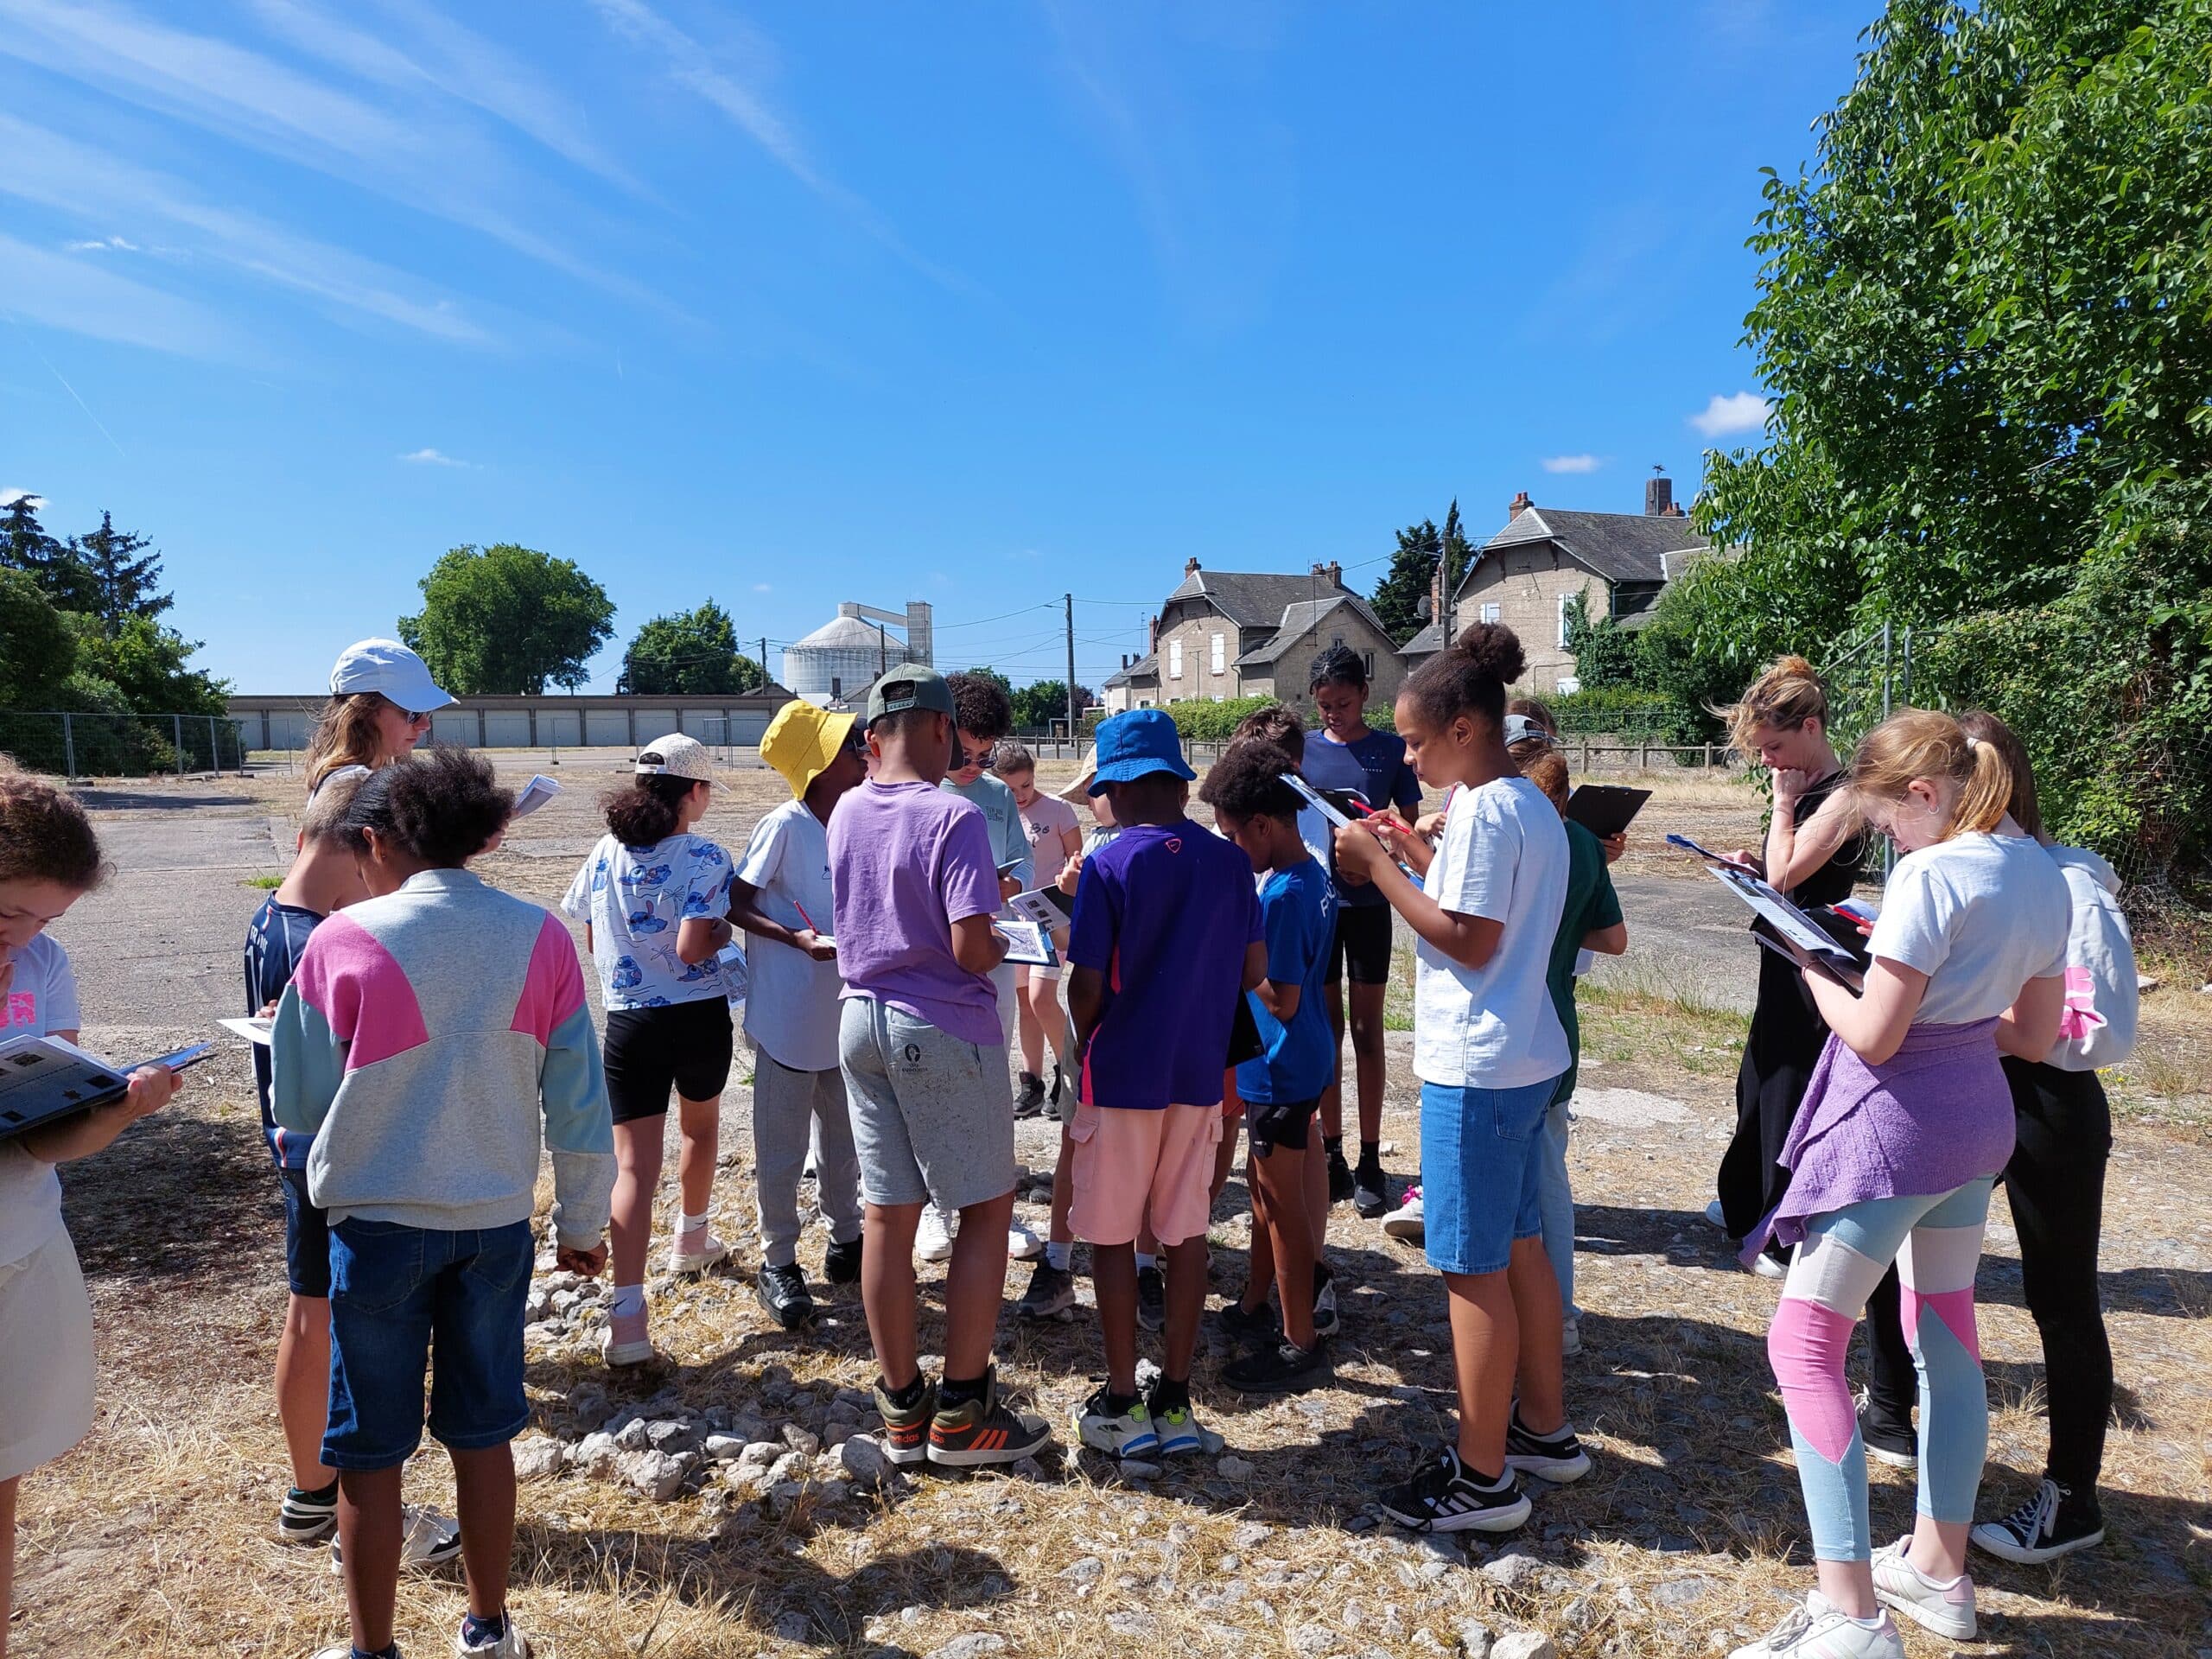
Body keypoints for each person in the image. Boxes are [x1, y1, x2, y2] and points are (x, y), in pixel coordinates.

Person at [1729, 710, 2069, 1659]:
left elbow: (1873, 1037)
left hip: (1895, 1132)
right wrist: (1949, 1001)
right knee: (1944, 1335)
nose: (1890, 843)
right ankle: (1937, 1569)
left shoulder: (1933, 873)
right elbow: (2033, 1035)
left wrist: (1808, 961)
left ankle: (1850, 1614)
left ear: (1923, 793)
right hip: (1976, 1123)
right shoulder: (2043, 872)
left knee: (1803, 1344)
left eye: (1886, 824)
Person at [273, 748, 614, 1659]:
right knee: (483, 1434)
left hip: (376, 1229)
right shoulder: (540, 938)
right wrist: (583, 1223)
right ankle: (488, 1627)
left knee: (368, 1452)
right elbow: (580, 1102)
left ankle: (371, 1649)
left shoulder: (338, 941)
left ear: (377, 842)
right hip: (494, 1226)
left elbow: (298, 1106)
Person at [1853, 712, 2134, 1567]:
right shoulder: (1957, 871)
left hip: (2043, 1100)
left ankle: (2071, 1496)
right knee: (1901, 1260)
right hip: (1962, 1083)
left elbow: (2095, 1027)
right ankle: (1891, 1410)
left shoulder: (2063, 883)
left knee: (2060, 1295)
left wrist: (1979, 1006)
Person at [1333, 623, 1592, 1533]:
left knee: (1470, 1268)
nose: (1405, 757)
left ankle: (1483, 1479)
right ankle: (1543, 1429)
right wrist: (1412, 853)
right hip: (1523, 1056)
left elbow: (1468, 939)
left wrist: (1375, 866)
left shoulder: (1482, 809)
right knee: (1519, 1248)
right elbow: (1480, 904)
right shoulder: (1528, 804)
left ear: (1462, 730)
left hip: (1476, 1066)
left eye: (1413, 742)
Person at [830, 666, 1052, 1469]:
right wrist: (1006, 933)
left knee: (887, 1216)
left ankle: (901, 1409)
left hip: (860, 1018)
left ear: (872, 735)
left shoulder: (846, 808)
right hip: (940, 1025)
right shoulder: (952, 814)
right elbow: (968, 948)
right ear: (938, 728)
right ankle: (963, 1411)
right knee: (986, 1209)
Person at [246, 772, 465, 1569]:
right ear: (363, 845)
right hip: (331, 1158)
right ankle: (351, 1512)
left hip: (298, 1148)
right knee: (334, 1330)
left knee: (311, 1315)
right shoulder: (329, 938)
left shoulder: (274, 918)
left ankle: (312, 1495)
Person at [0, 771, 182, 1659]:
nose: (26, 939)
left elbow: (45, 1138)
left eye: (47, 920)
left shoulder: (42, 965)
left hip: (20, 1247)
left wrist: (117, 1113)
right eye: (10, 914)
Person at [1067, 709, 1263, 1457]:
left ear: (1117, 788)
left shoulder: (1109, 865)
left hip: (1122, 1073)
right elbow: (1253, 968)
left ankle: (1123, 1401)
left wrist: (1081, 1038)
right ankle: (1177, 1402)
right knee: (1185, 1234)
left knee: (1112, 1236)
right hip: (1199, 1073)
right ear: (1179, 784)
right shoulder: (1231, 863)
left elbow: (1087, 984)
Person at [560, 734, 736, 1368]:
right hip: (697, 1017)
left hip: (630, 1023)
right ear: (695, 791)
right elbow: (692, 947)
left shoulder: (604, 852)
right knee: (700, 1130)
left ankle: (628, 1316)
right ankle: (691, 1237)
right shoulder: (706, 855)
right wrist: (723, 934)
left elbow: (590, 936)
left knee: (633, 1166)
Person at [1709, 658, 1867, 1277]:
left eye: (1773, 747)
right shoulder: (1804, 787)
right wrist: (1749, 866)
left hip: (1814, 966)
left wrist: (1781, 808)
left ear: (1811, 728)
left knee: (1788, 1089)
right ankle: (1744, 1201)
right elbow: (1778, 875)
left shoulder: (1844, 794)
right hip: (1782, 953)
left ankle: (1778, 1231)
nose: (1768, 761)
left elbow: (1785, 876)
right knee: (1758, 1077)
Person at [1201, 739, 1336, 1395]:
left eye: (1232, 836)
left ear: (1262, 825)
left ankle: (1299, 1339)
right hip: (1300, 1057)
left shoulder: (1280, 896)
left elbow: (1280, 998)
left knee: (1282, 1208)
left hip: (1279, 1065)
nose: (1231, 848)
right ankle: (1258, 1302)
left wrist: (1232, 951)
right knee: (1262, 1195)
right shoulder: (1312, 875)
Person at [728, 702, 869, 1330]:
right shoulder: (784, 825)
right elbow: (735, 902)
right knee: (782, 1147)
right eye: (847, 747)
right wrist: (794, 939)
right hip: (789, 1014)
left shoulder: (858, 818)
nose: (861, 754)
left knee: (845, 1140)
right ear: (817, 766)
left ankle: (846, 1238)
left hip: (843, 1011)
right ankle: (778, 1259)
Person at [1298, 645, 1423, 1217]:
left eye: (1344, 704)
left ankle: (1371, 1156)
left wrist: (1378, 850)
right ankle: (1332, 1151)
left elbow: (1409, 828)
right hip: (1321, 905)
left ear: (1364, 695)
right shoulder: (1304, 750)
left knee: (1368, 1030)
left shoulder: (1390, 751)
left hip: (1371, 903)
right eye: (1325, 706)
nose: (1335, 715)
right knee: (1326, 1031)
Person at [1516, 749, 1628, 1360]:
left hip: (1516, 1034)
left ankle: (1551, 1315)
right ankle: (1557, 1313)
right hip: (1559, 1023)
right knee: (1549, 1174)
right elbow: (1614, 938)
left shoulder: (1513, 836)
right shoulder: (1583, 842)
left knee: (1529, 1185)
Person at [929, 672, 1041, 1267]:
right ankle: (936, 1205)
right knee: (932, 1080)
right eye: (964, 755)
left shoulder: (997, 795)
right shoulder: (918, 790)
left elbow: (1021, 866)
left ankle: (996, 1198)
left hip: (991, 950)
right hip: (931, 959)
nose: (973, 767)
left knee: (990, 1076)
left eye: (984, 756)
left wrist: (1002, 886)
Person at [1014, 755, 1122, 1325]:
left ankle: (1140, 1264)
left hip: (1121, 1021)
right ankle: (1059, 1262)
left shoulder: (1123, 854)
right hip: (1094, 1022)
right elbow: (1082, 946)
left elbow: (1104, 943)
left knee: (1120, 1146)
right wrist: (1066, 908)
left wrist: (1075, 903)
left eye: (1097, 791)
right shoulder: (1099, 847)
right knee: (1074, 1138)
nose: (1091, 802)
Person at [995, 741, 1082, 1114]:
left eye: (1026, 785)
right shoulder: (999, 812)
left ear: (1035, 776)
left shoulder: (1059, 810)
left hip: (1051, 919)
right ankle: (1031, 1081)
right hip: (1013, 920)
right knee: (1024, 1002)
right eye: (1011, 789)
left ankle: (1069, 1070)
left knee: (1040, 998)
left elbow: (1077, 863)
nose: (1020, 796)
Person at [302, 638, 454, 799]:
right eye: (412, 713)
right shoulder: (352, 788)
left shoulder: (368, 778)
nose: (425, 725)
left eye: (427, 711)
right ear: (363, 711)